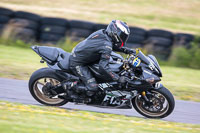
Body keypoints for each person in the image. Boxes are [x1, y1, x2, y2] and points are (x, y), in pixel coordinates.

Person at [67, 20, 135, 100]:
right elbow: (103, 67)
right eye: (122, 36)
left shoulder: (103, 33)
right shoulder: (106, 46)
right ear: (115, 32)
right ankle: (69, 86)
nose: (123, 39)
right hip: (78, 63)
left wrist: (126, 50)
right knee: (93, 87)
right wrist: (117, 78)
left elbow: (111, 45)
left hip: (83, 56)